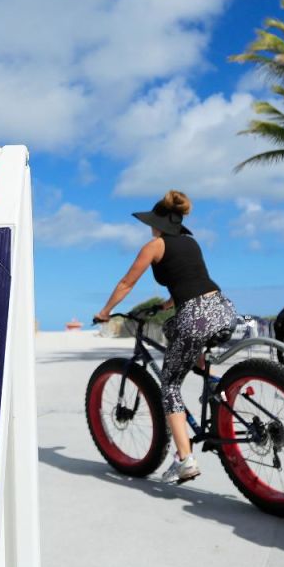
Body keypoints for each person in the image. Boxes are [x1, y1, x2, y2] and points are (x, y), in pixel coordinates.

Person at [93, 190, 236, 485]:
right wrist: (165, 305)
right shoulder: (190, 242)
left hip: (195, 316)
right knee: (174, 330)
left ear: (157, 223)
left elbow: (126, 282)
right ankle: (214, 386)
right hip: (222, 309)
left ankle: (185, 460)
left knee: (169, 384)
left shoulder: (154, 246)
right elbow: (189, 279)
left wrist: (105, 311)